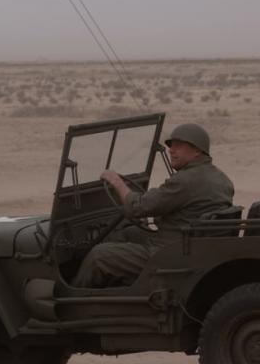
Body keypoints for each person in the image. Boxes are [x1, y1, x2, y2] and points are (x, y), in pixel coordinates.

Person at [72, 123, 235, 288]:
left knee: (99, 257)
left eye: (178, 146)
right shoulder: (221, 178)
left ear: (197, 150)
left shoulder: (186, 180)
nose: (171, 150)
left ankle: (73, 304)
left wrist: (116, 182)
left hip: (168, 253)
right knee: (127, 233)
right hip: (188, 246)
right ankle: (118, 288)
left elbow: (138, 207)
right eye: (171, 146)